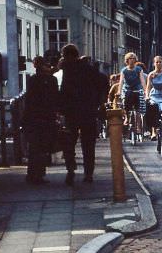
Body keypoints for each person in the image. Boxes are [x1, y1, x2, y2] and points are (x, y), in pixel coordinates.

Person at [58, 44, 106, 184]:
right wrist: (97, 101)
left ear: (67, 55)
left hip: (71, 112)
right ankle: (88, 173)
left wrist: (61, 109)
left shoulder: (65, 69)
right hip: (88, 111)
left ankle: (70, 168)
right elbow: (102, 81)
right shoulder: (87, 69)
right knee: (88, 145)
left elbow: (63, 92)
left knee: (69, 142)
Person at [22, 56, 58, 184]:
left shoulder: (32, 80)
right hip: (46, 117)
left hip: (33, 117)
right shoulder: (52, 80)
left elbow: (29, 101)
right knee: (42, 147)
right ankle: (39, 174)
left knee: (34, 147)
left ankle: (33, 174)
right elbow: (54, 99)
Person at [118, 53, 147, 127]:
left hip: (137, 89)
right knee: (125, 102)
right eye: (130, 58)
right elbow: (121, 81)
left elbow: (142, 80)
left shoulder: (138, 69)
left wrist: (145, 91)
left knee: (139, 107)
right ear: (127, 60)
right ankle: (127, 118)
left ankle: (138, 125)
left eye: (133, 58)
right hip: (128, 89)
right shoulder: (124, 70)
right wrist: (119, 91)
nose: (132, 60)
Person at [145, 55, 162, 141]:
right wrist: (147, 96)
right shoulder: (151, 75)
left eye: (160, 62)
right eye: (156, 62)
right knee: (153, 110)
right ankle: (153, 131)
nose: (158, 63)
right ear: (154, 64)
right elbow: (148, 87)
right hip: (154, 95)